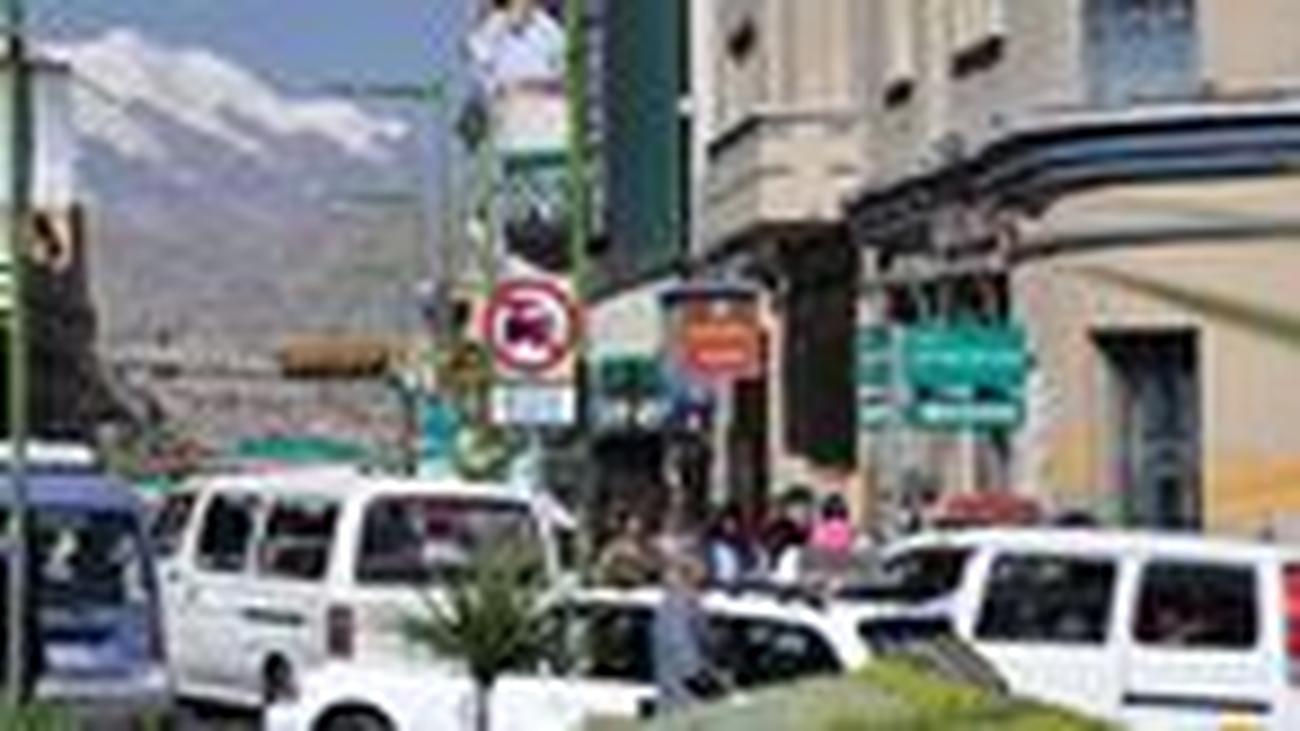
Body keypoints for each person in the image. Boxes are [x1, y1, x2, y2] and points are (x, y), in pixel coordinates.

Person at [652, 554, 721, 713]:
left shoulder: (681, 606)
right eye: (701, 584)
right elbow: (682, 650)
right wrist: (702, 680)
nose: (704, 591)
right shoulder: (678, 608)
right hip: (683, 696)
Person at [594, 512, 659, 587]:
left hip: (636, 581)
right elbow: (605, 562)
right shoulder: (613, 544)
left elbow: (645, 563)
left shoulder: (637, 544)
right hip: (616, 581)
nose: (635, 527)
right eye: (631, 524)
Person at [705, 504, 751, 586]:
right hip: (719, 574)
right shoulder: (714, 537)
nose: (729, 525)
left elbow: (746, 556)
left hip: (734, 575)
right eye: (727, 522)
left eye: (732, 523)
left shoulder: (741, 539)